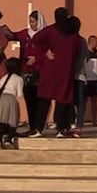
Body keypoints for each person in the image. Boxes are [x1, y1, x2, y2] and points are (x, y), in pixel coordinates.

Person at [33, 7, 81, 138]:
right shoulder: (73, 35)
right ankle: (61, 129)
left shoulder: (50, 30)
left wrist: (45, 52)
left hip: (49, 70)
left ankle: (38, 128)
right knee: (63, 100)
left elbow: (35, 39)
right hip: (66, 71)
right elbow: (77, 50)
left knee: (44, 100)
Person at [19, 11, 47, 137]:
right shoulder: (26, 34)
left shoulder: (46, 35)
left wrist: (37, 58)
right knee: (29, 100)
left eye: (33, 21)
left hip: (41, 72)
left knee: (39, 100)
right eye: (30, 21)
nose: (31, 24)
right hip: (27, 72)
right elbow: (13, 35)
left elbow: (50, 53)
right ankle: (32, 126)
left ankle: (38, 127)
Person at [0, 57, 25, 148]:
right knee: (12, 120)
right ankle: (8, 139)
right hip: (10, 99)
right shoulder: (19, 79)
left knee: (2, 121)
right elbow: (19, 94)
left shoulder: (3, 78)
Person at [75, 35, 97, 136]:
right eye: (96, 42)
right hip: (86, 79)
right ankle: (79, 121)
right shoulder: (84, 52)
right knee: (83, 101)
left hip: (95, 80)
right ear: (91, 42)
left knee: (94, 101)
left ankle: (94, 121)